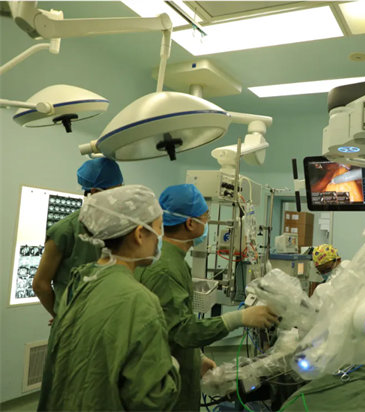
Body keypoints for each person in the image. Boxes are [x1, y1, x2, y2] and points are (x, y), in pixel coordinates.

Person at [135, 184, 280, 411]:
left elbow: (170, 322)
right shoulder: (165, 270)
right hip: (164, 386)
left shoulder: (170, 260)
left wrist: (197, 358)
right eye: (206, 217)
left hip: (176, 370)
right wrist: (239, 318)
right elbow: (181, 331)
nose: (208, 222)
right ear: (190, 223)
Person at [38, 185, 180, 411]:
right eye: (158, 228)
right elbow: (151, 400)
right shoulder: (139, 300)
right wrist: (171, 366)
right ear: (139, 234)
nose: (159, 237)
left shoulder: (80, 281)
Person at [32, 157, 123, 319]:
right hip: (75, 322)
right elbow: (40, 285)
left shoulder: (119, 227)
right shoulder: (64, 230)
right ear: (95, 192)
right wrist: (61, 315)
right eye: (117, 191)